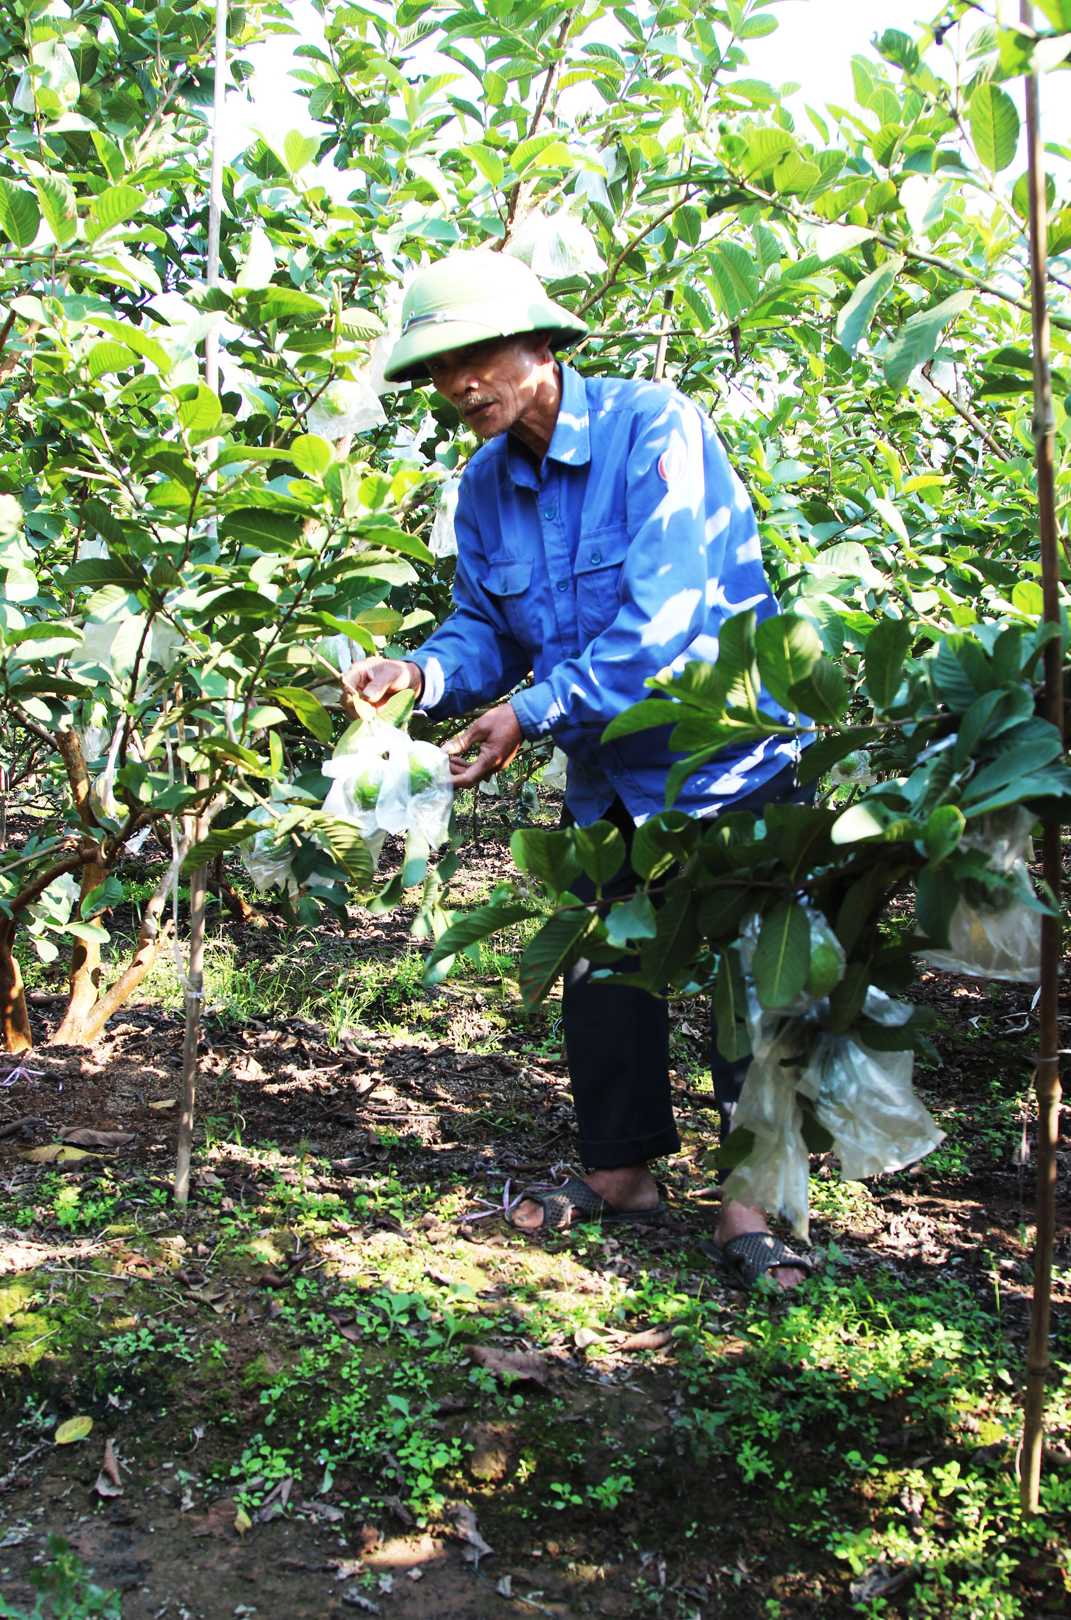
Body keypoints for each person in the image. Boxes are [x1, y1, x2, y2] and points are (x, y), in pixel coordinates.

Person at [341, 251, 813, 1290]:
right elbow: (483, 628)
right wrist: (420, 674)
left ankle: (752, 1206)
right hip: (608, 776)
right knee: (604, 974)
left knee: (748, 981)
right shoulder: (484, 485)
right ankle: (622, 1174)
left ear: (542, 343)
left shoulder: (656, 429)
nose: (461, 383)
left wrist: (532, 711)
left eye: (478, 355)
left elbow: (671, 621)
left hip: (724, 758)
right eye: (440, 367)